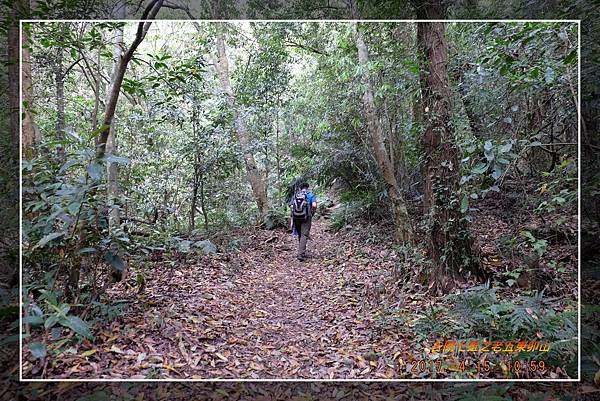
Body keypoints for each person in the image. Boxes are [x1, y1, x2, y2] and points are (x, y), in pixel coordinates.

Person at [289, 182, 317, 261]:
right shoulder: (311, 195)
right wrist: (312, 212)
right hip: (306, 217)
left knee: (300, 234)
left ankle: (301, 251)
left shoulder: (296, 195)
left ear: (300, 188)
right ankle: (300, 254)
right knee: (304, 235)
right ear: (307, 187)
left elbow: (291, 206)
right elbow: (314, 205)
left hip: (296, 217)